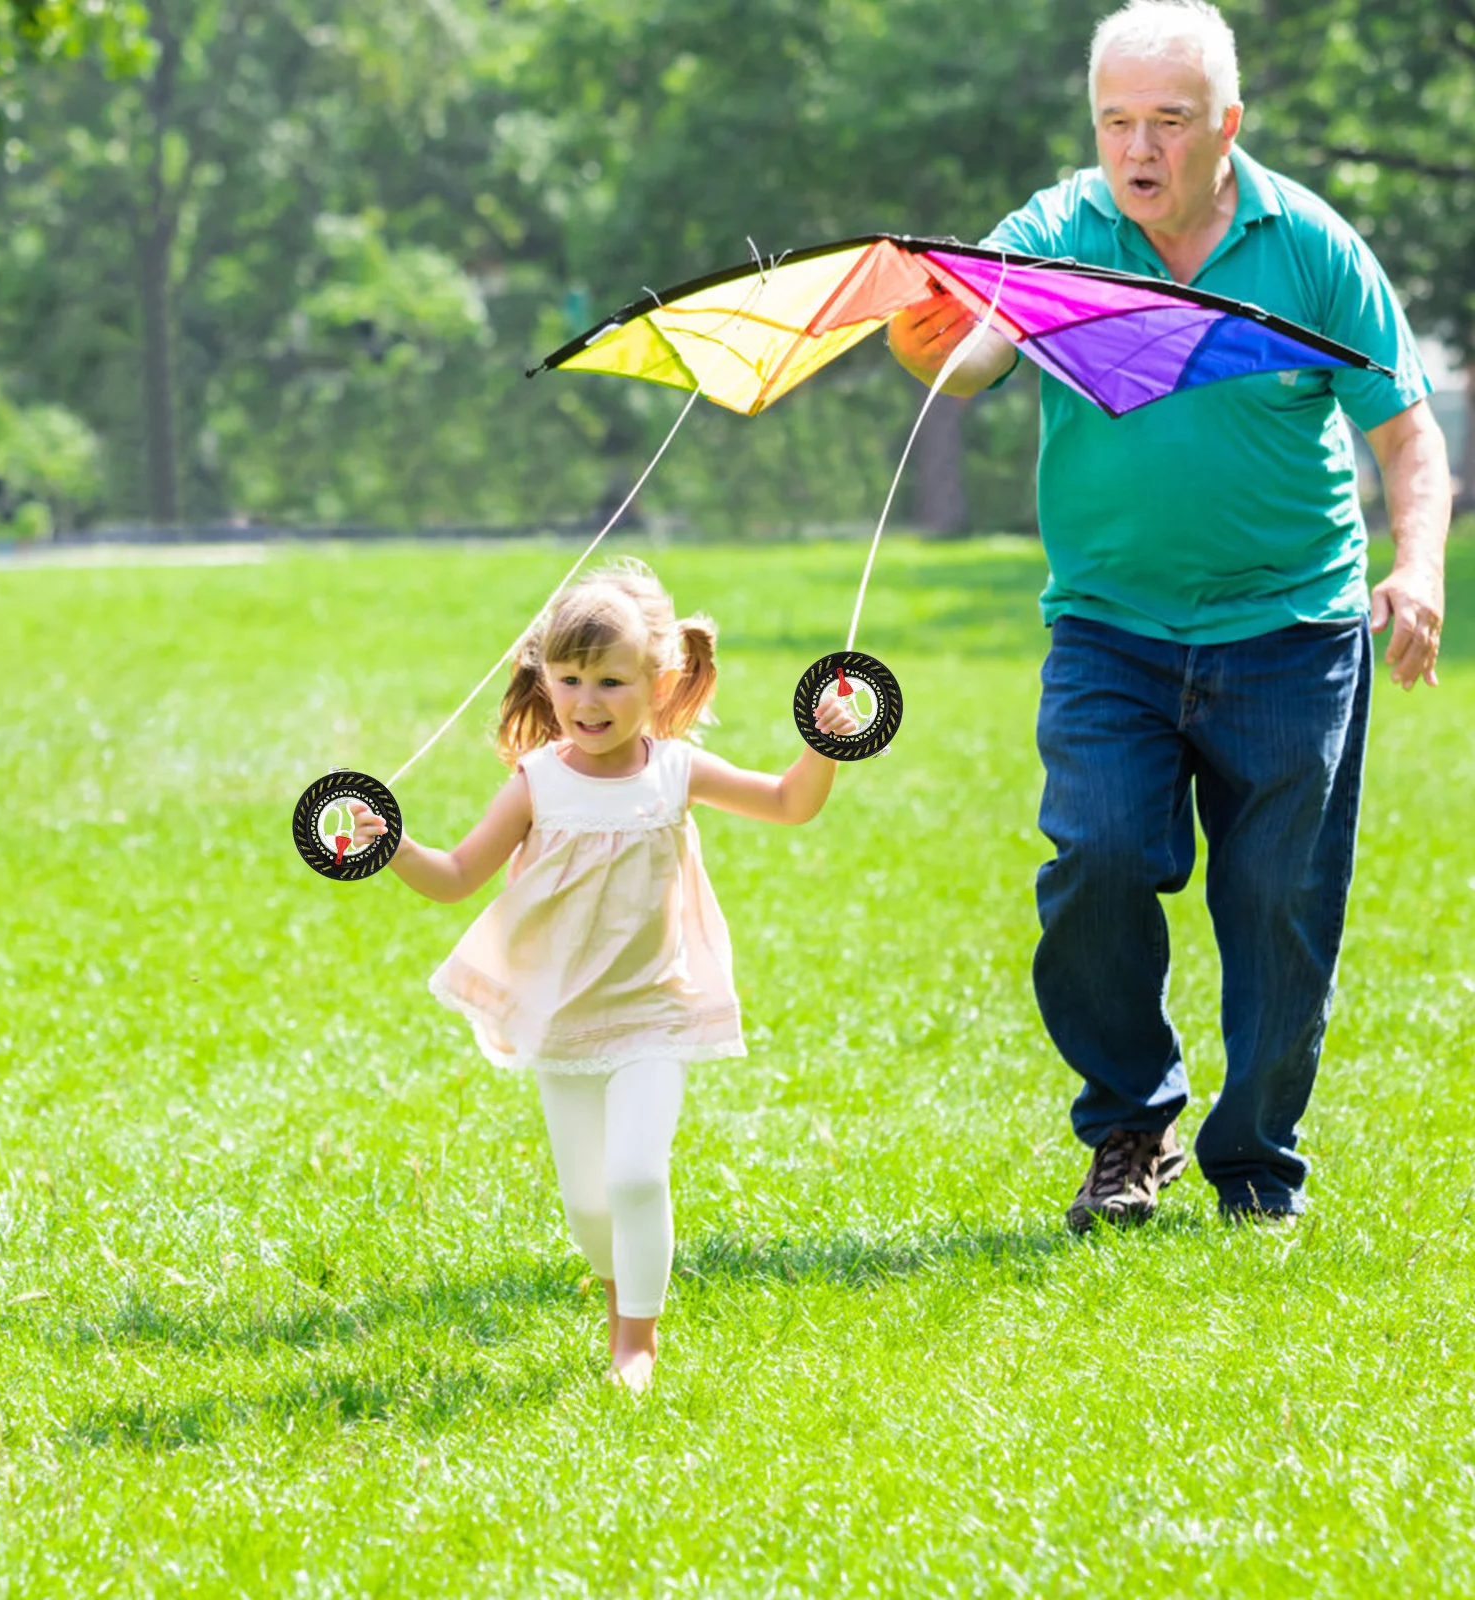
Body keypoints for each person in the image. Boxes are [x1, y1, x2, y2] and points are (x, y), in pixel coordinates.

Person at [888, 0, 1450, 1230]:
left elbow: (1407, 437)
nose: (1137, 149)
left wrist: (1418, 569)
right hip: (1109, 628)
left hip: (1291, 633)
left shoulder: (1308, 246)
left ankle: (1253, 1163)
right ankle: (1128, 1127)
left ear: (1225, 126)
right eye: (1115, 121)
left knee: (1280, 911)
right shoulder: (1055, 229)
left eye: (1168, 122)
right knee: (1092, 858)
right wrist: (944, 335)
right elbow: (978, 350)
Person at [347, 560, 860, 1387]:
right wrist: (388, 843)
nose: (589, 702)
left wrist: (825, 743)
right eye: (572, 680)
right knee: (589, 1205)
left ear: (660, 682)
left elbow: (789, 802)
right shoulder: (537, 783)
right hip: (562, 1017)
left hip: (656, 1009)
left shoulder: (677, 771)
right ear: (545, 680)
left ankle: (636, 1342)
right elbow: (451, 878)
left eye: (613, 682)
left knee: (634, 1174)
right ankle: (622, 1285)